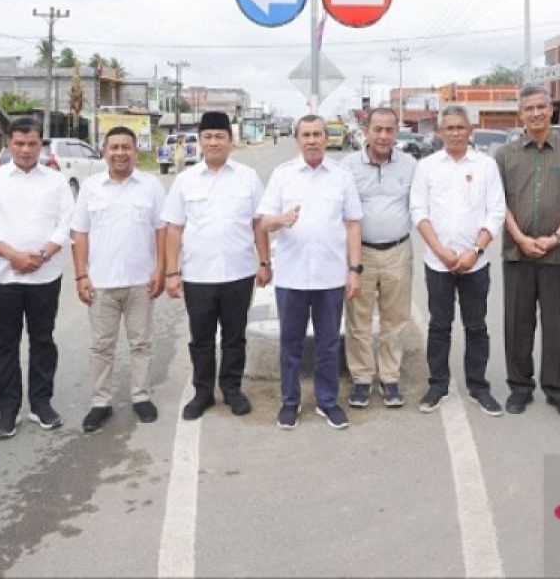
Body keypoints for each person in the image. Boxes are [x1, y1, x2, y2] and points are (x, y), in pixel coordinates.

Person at [0, 117, 74, 438]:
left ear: (40, 144)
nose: (26, 149)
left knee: (43, 340)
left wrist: (41, 254)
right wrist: (14, 256)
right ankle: (7, 408)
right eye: (19, 143)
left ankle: (41, 403)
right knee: (5, 343)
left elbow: (66, 224)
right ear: (8, 144)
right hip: (3, 277)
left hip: (46, 275)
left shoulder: (56, 181)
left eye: (32, 143)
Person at [258, 114, 362, 430]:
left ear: (327, 138)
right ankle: (290, 403)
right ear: (297, 140)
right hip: (291, 277)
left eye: (318, 134)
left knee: (328, 344)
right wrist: (281, 219)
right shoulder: (283, 175)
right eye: (306, 135)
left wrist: (354, 269)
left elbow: (353, 223)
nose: (313, 140)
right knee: (290, 344)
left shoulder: (341, 177)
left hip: (330, 277)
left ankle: (327, 402)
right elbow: (263, 222)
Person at [164, 111, 270, 420]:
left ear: (230, 141)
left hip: (239, 272)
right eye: (207, 137)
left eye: (219, 136)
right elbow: (173, 228)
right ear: (200, 141)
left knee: (235, 336)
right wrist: (172, 272)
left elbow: (259, 223)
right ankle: (203, 392)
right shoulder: (185, 181)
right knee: (201, 339)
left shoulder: (247, 178)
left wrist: (264, 262)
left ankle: (233, 389)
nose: (213, 142)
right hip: (198, 275)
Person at [495, 86, 560, 419]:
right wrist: (520, 237)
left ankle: (557, 389)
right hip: (517, 253)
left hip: (557, 255)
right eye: (528, 108)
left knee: (556, 324)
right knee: (518, 324)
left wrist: (557, 237)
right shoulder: (504, 155)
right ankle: (520, 388)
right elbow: (499, 202)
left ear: (552, 111)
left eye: (540, 107)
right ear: (520, 114)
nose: (535, 113)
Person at [410, 105, 507, 416]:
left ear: (470, 131)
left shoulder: (486, 166)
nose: (454, 133)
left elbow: (496, 212)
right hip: (438, 262)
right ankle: (438, 384)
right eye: (448, 128)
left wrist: (475, 251)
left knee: (476, 326)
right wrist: (440, 250)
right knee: (439, 326)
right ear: (439, 132)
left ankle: (478, 387)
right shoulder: (426, 167)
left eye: (460, 128)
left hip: (475, 263)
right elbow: (419, 212)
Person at [71, 126, 166, 432]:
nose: (120, 153)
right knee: (102, 346)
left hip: (141, 281)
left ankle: (141, 397)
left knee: (141, 343)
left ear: (135, 151)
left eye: (127, 147)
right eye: (114, 147)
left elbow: (161, 231)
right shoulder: (90, 187)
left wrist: (161, 269)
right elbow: (80, 233)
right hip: (101, 283)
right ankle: (101, 403)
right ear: (104, 151)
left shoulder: (151, 186)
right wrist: (81, 275)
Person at [341, 106, 416, 409]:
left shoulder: (411, 165)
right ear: (366, 131)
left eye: (389, 130)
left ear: (396, 132)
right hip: (362, 253)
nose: (384, 136)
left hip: (399, 251)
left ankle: (389, 378)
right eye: (378, 129)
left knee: (395, 320)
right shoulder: (348, 166)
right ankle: (361, 378)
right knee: (358, 319)